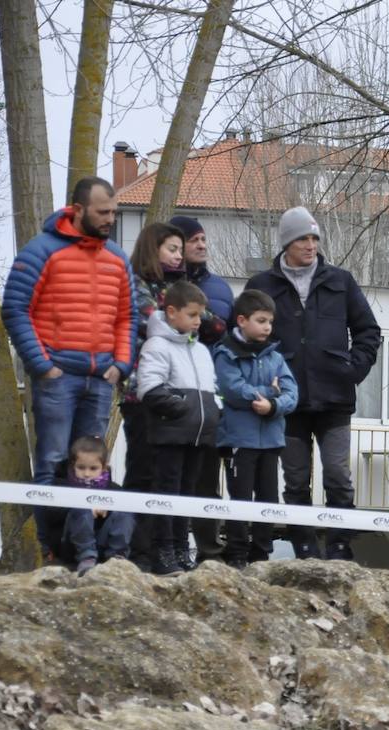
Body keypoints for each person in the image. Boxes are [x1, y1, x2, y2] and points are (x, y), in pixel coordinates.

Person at [1, 176, 135, 556]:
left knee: (91, 466)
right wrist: (42, 366)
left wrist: (121, 365)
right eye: (103, 212)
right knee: (53, 463)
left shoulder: (117, 259)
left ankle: (85, 550)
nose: (111, 219)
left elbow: (127, 317)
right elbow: (15, 308)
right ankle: (53, 552)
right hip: (57, 377)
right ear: (78, 210)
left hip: (101, 379)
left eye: (114, 211)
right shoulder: (41, 251)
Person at [245, 206, 382, 561]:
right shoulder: (262, 285)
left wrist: (354, 367)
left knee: (338, 474)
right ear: (286, 243)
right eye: (302, 238)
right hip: (286, 402)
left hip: (335, 397)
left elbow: (369, 331)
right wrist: (263, 379)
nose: (310, 245)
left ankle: (339, 543)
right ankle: (303, 544)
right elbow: (244, 338)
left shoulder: (341, 280)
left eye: (314, 238)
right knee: (295, 478)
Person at [135, 281, 221, 575]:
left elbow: (211, 389)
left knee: (187, 493)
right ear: (171, 312)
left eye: (201, 315)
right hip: (170, 435)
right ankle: (163, 551)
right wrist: (182, 410)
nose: (199, 321)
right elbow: (149, 387)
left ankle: (182, 549)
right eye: (193, 314)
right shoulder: (156, 345)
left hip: (197, 436)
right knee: (167, 492)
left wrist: (213, 412)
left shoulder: (200, 350)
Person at [214, 290, 299, 569]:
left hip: (271, 441)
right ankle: (237, 552)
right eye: (261, 320)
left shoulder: (275, 356)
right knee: (241, 496)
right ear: (241, 320)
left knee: (268, 498)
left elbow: (291, 393)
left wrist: (273, 406)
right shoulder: (226, 353)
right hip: (240, 439)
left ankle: (261, 552)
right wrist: (266, 392)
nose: (267, 327)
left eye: (270, 322)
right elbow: (233, 390)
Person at [122, 221, 188, 568]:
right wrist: (183, 317)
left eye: (180, 249)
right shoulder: (134, 284)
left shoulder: (179, 287)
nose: (179, 256)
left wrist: (189, 316)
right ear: (153, 249)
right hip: (141, 394)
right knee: (141, 473)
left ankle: (167, 549)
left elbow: (211, 323)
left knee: (169, 478)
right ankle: (138, 553)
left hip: (177, 393)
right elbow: (157, 321)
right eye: (172, 249)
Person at [171, 214, 233, 562]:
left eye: (203, 239)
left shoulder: (221, 290)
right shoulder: (159, 285)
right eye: (193, 239)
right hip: (171, 393)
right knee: (170, 477)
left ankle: (210, 552)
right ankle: (167, 548)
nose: (201, 244)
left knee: (206, 479)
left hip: (209, 398)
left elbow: (229, 343)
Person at [52, 436, 134, 576]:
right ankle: (86, 557)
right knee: (81, 508)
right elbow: (53, 517)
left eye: (93, 468)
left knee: (125, 511)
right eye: (81, 467)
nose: (87, 474)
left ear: (104, 468)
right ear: (73, 466)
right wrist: (86, 507)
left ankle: (117, 558)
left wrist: (108, 508)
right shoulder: (62, 487)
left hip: (103, 541)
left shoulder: (114, 490)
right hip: (73, 546)